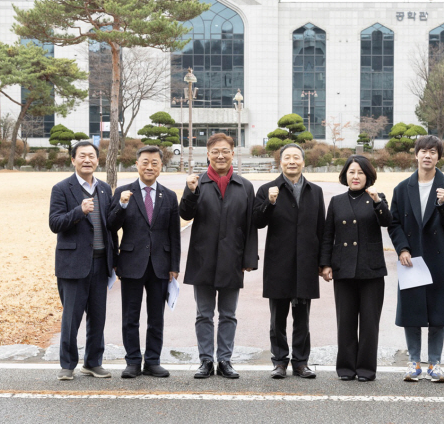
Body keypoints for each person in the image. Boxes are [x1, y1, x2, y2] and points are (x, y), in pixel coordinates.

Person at [180, 133, 258, 379]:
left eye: (225, 151)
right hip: (202, 259)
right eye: (215, 151)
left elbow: (250, 226)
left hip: (232, 259)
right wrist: (190, 191)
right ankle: (205, 360)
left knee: (228, 314)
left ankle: (224, 360)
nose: (220, 155)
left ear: (233, 153)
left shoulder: (244, 186)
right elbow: (185, 214)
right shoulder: (197, 183)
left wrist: (248, 259)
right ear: (208, 154)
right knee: (203, 314)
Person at [388, 135, 444, 384]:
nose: (428, 155)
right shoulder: (402, 188)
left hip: (438, 256)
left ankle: (435, 363)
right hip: (411, 257)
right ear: (416, 154)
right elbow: (394, 223)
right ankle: (413, 362)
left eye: (433, 151)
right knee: (412, 311)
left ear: (439, 156)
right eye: (424, 151)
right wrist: (402, 248)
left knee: (438, 312)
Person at [253, 143, 325, 379]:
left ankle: (301, 362)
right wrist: (269, 203)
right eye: (287, 158)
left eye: (296, 157)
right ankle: (280, 361)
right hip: (278, 263)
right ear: (280, 162)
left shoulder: (315, 191)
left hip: (306, 263)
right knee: (278, 318)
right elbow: (257, 222)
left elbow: (321, 229)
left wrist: (323, 262)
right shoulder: (267, 189)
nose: (292, 161)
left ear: (303, 162)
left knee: (302, 318)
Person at [107, 146, 180, 379]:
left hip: (160, 264)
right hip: (131, 263)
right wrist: (122, 204)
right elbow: (111, 226)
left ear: (161, 166)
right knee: (130, 316)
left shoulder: (168, 196)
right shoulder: (123, 191)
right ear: (137, 165)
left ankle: (152, 361)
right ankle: (132, 361)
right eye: (145, 162)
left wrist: (174, 266)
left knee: (156, 317)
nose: (150, 167)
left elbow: (174, 233)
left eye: (155, 163)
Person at [48, 141, 117, 381]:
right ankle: (67, 365)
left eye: (91, 156)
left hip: (101, 263)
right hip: (73, 264)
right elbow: (55, 223)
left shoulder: (105, 189)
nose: (87, 160)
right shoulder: (61, 188)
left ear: (98, 160)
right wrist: (79, 211)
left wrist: (114, 259)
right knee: (71, 317)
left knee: (98, 317)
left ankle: (93, 362)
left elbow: (110, 228)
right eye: (82, 156)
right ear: (73, 160)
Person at [320, 155, 391, 382]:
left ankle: (367, 369)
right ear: (345, 175)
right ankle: (346, 368)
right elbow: (327, 235)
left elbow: (387, 222)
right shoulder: (337, 201)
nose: (356, 176)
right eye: (351, 172)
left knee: (370, 323)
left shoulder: (377, 198)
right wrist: (325, 264)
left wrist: (378, 202)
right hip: (343, 268)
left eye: (360, 172)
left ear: (368, 176)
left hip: (371, 270)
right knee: (346, 322)